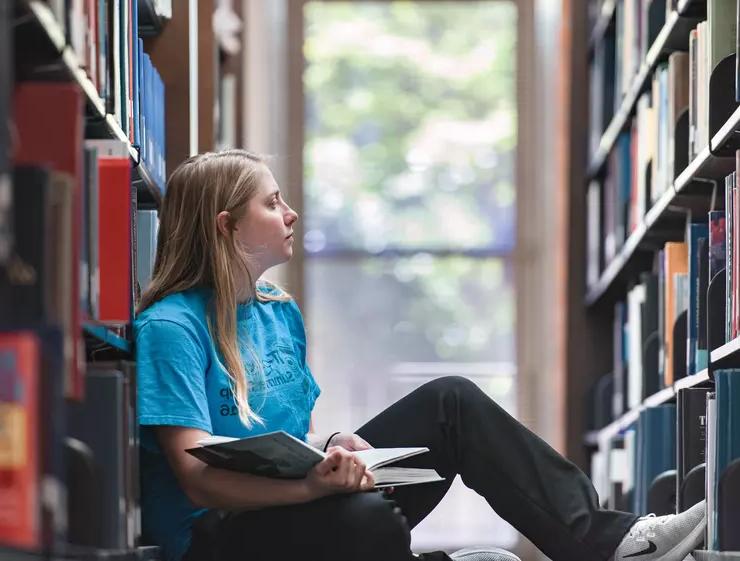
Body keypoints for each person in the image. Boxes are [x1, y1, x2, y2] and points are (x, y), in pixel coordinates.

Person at [135, 150, 706, 561]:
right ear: (227, 227)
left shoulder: (276, 311)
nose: (291, 214)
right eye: (273, 202)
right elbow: (198, 480)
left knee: (450, 400)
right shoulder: (171, 327)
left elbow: (289, 439)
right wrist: (316, 489)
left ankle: (606, 544)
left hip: (298, 505)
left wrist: (330, 448)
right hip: (219, 536)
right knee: (362, 517)